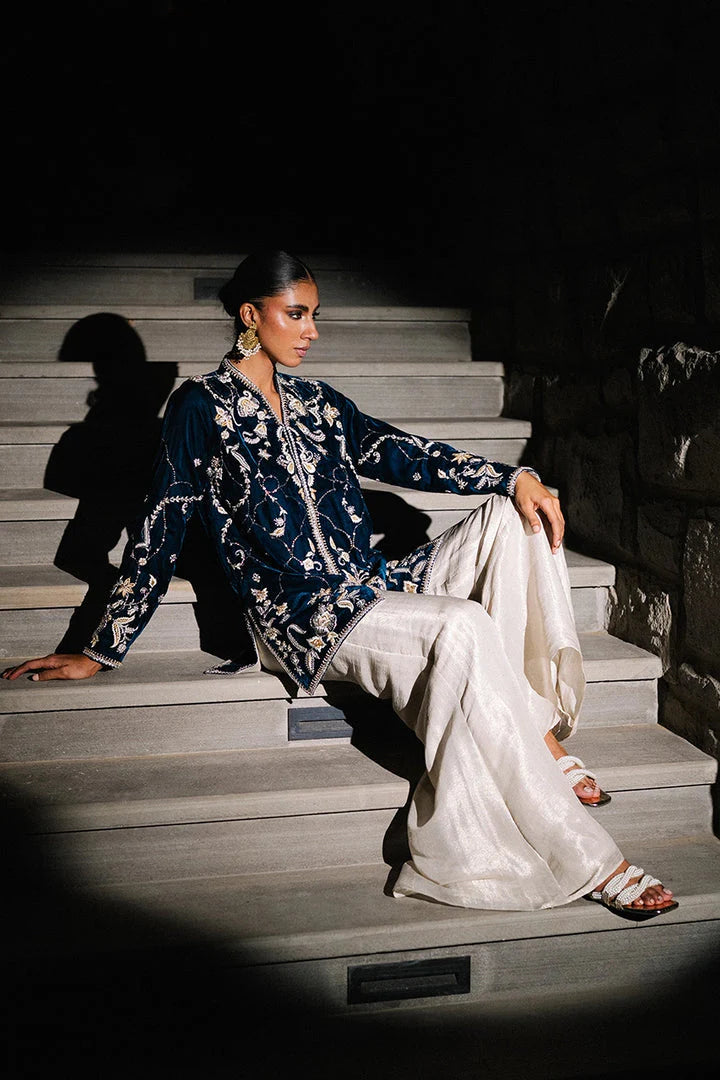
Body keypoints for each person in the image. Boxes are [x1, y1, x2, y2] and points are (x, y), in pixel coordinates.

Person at [2, 250, 677, 919]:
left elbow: (400, 453)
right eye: (296, 314)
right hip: (299, 614)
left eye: (314, 315)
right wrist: (100, 648)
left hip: (369, 584)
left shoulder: (317, 402)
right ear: (250, 315)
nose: (312, 331)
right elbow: (161, 524)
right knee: (462, 622)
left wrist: (513, 476)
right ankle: (589, 857)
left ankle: (537, 734)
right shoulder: (198, 407)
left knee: (515, 512)